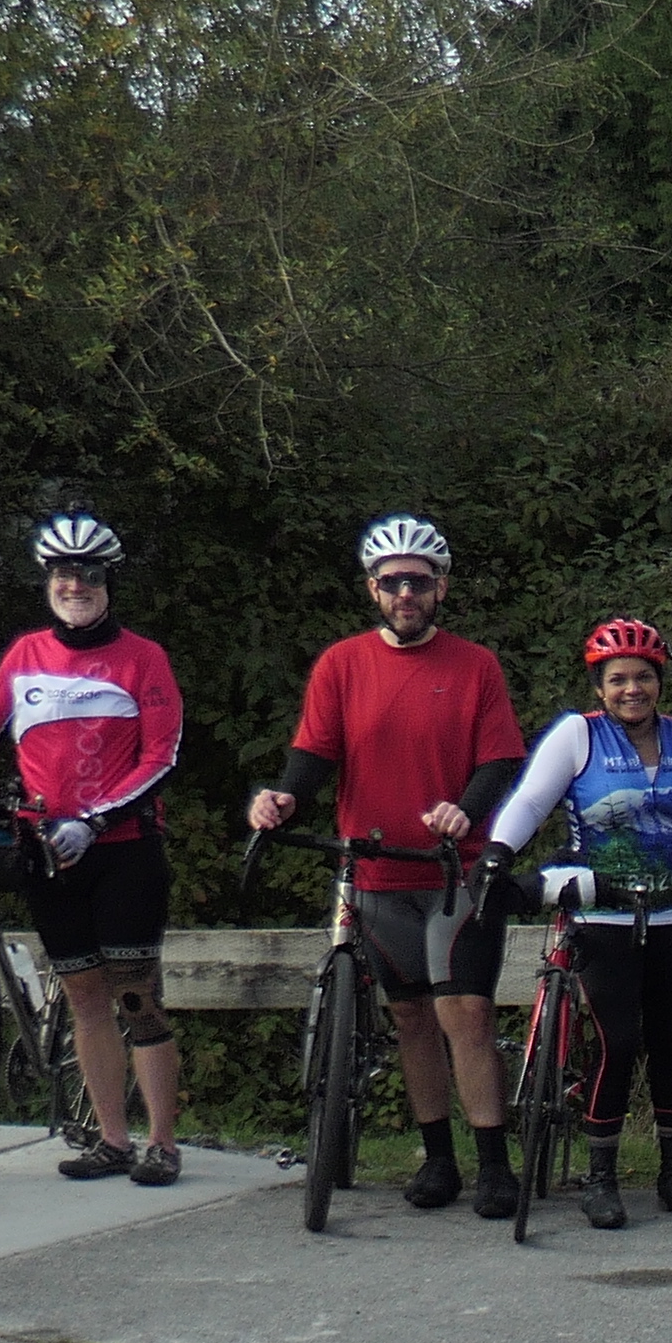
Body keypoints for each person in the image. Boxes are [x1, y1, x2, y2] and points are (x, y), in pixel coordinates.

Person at [0, 513, 187, 1185]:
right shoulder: (25, 655)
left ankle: (162, 1144)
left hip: (124, 850)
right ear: (48, 581)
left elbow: (162, 758)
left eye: (89, 574)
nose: (75, 585)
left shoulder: (143, 658)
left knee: (135, 999)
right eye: (63, 574)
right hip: (46, 849)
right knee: (84, 997)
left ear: (109, 580)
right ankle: (113, 1140)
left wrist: (96, 821)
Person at [248, 515, 530, 1217]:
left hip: (453, 873)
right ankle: (438, 1158)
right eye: (393, 582)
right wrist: (285, 797)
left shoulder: (476, 666)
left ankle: (494, 1162)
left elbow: (500, 759)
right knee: (410, 1018)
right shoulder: (342, 664)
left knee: (465, 1013)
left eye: (419, 582)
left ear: (441, 589)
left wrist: (465, 810)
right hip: (376, 872)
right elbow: (315, 752)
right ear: (373, 589)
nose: (407, 594)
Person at [482, 618, 672, 1229]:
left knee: (671, 1041)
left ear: (660, 682)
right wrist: (498, 852)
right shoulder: (578, 735)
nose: (633, 689)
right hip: (602, 912)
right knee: (617, 1042)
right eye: (618, 679)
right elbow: (532, 799)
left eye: (644, 677)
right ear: (599, 687)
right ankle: (600, 1176)